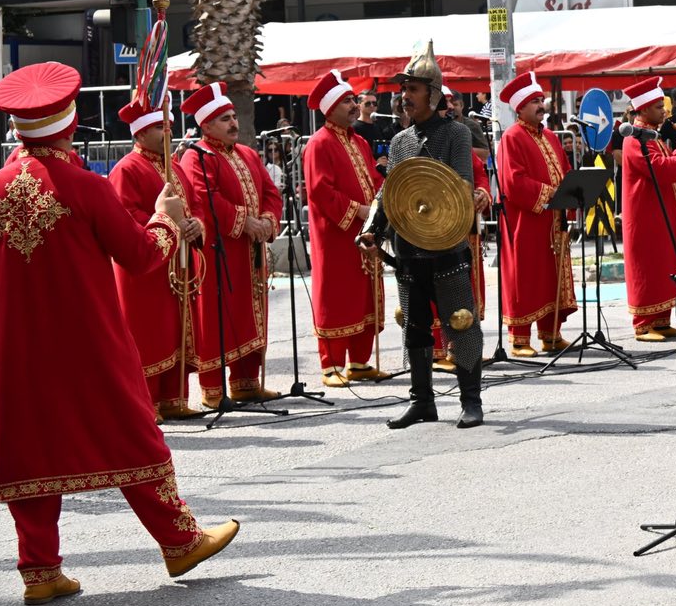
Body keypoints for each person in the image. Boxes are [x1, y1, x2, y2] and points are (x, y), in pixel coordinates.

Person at [0, 62, 238, 604]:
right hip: (89, 340)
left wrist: (28, 297)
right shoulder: (86, 188)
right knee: (130, 429)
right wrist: (164, 220)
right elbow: (140, 257)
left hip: (18, 350)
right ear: (69, 123)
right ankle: (179, 541)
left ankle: (39, 570)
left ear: (18, 127)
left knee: (30, 443)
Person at [365, 44, 491, 429]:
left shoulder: (456, 134)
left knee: (461, 321)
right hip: (407, 249)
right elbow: (390, 191)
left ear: (433, 95)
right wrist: (372, 229)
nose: (406, 96)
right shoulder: (402, 140)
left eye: (414, 89)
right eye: (405, 89)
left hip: (446, 246)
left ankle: (471, 400)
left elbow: (460, 186)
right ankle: (422, 401)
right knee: (415, 326)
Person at [177, 82, 284, 407]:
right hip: (218, 253)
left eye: (234, 116)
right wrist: (243, 221)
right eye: (225, 118)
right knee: (218, 314)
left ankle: (246, 382)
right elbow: (204, 198)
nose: (233, 123)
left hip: (250, 251)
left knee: (253, 314)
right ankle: (213, 390)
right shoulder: (196, 157)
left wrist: (267, 220)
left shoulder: (248, 154)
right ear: (206, 125)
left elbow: (271, 191)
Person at [108, 99, 205, 418]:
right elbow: (125, 215)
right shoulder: (126, 168)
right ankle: (145, 402)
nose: (169, 132)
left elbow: (193, 207)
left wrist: (194, 225)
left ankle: (174, 398)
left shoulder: (174, 165)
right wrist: (166, 222)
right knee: (148, 330)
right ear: (141, 133)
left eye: (168, 127)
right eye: (160, 128)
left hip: (177, 262)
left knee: (176, 327)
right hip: (146, 265)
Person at [300, 73, 389, 387]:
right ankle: (332, 364)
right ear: (331, 108)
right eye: (347, 101)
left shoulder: (359, 141)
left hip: (365, 232)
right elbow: (321, 192)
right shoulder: (318, 144)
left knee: (364, 295)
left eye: (353, 100)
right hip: (337, 235)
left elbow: (374, 181)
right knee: (337, 296)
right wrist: (360, 211)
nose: (354, 106)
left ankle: (360, 361)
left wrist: (380, 205)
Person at [496, 72, 577, 356]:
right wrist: (551, 193)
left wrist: (572, 191)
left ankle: (551, 334)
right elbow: (513, 182)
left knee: (549, 276)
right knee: (526, 276)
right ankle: (519, 339)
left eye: (541, 100)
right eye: (534, 101)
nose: (541, 105)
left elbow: (565, 172)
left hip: (553, 220)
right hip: (526, 221)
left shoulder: (552, 137)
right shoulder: (512, 137)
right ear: (520, 108)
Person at [618, 76, 676, 341]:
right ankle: (643, 324)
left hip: (661, 213)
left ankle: (661, 319)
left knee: (665, 263)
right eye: (658, 107)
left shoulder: (652, 137)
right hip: (646, 217)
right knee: (648, 265)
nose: (665, 112)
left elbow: (664, 161)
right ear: (643, 110)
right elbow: (658, 170)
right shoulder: (634, 140)